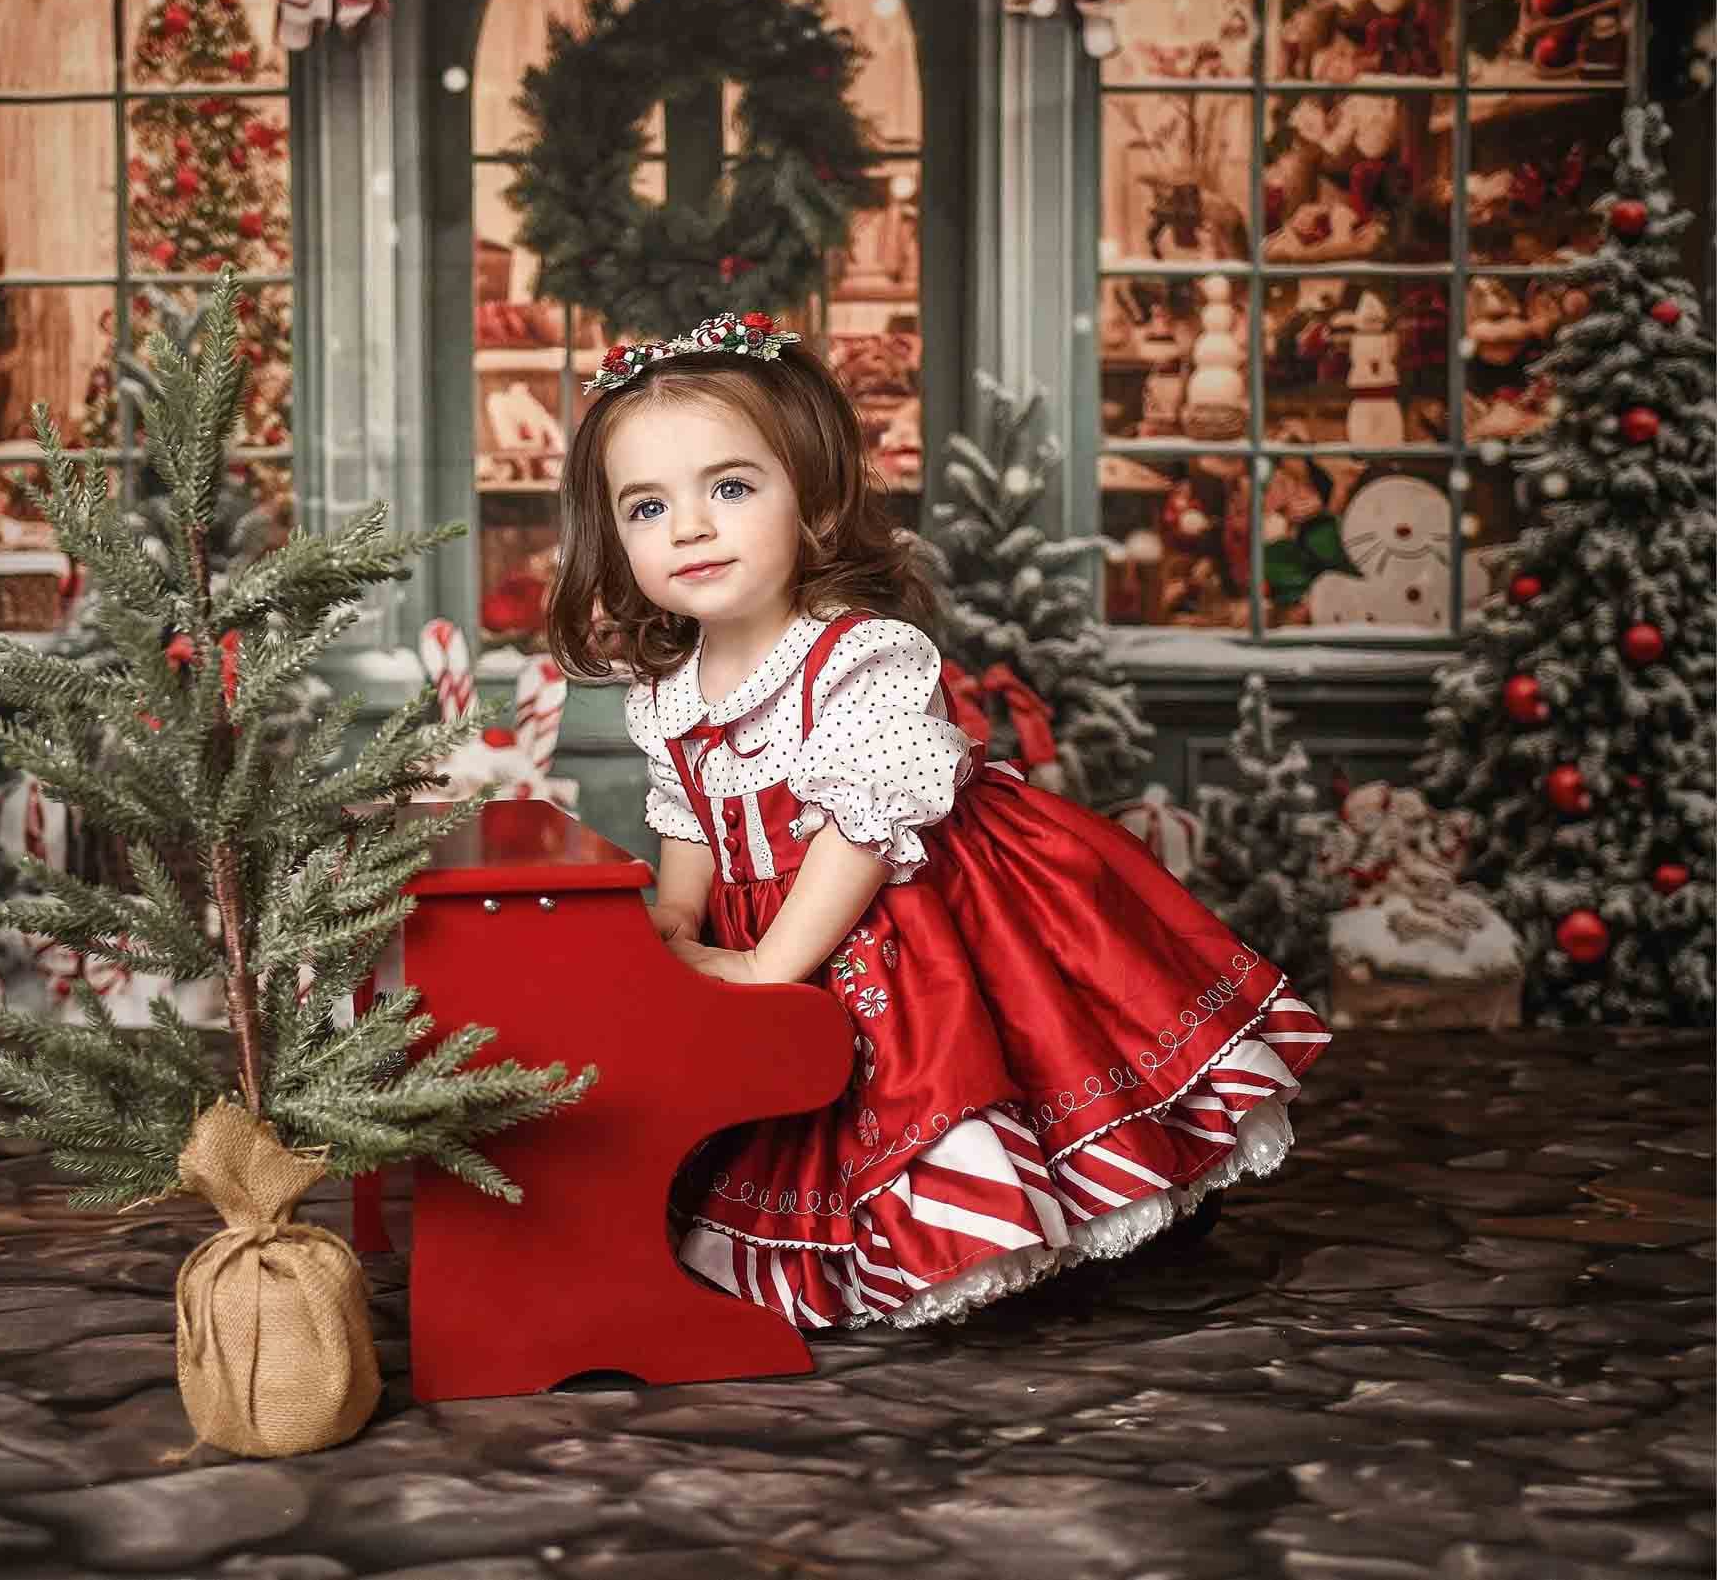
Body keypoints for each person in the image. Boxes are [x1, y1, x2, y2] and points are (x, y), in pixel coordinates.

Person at [545, 313, 1332, 1331]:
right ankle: (872, 1243)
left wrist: (765, 968)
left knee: (947, 1070)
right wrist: (678, 922)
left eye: (730, 488)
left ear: (815, 504)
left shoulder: (858, 659)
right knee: (787, 1102)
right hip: (781, 923)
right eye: (646, 507)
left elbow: (863, 833)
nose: (688, 528)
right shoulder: (668, 685)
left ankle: (1057, 1220)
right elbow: (684, 814)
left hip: (909, 912)